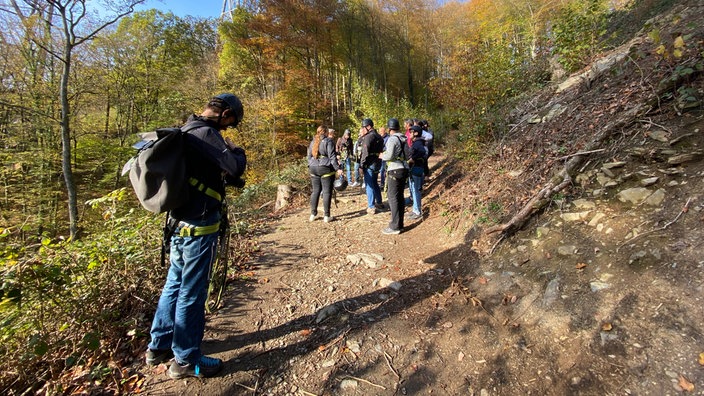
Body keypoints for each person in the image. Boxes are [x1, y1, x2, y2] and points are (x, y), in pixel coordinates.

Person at [146, 93, 247, 379]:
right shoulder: (207, 134)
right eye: (230, 121)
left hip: (178, 224)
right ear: (225, 113)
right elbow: (236, 167)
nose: (228, 128)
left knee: (174, 284)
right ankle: (186, 359)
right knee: (192, 291)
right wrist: (236, 150)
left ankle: (159, 346)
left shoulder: (187, 129)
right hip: (199, 226)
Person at [308, 125, 343, 222]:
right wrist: (337, 169)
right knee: (327, 192)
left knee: (315, 191)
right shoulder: (328, 141)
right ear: (326, 132)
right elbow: (332, 157)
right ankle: (326, 216)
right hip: (325, 168)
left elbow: (309, 157)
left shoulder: (313, 142)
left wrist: (311, 165)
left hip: (313, 168)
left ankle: (313, 214)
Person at [380, 118, 409, 234]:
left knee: (392, 197)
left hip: (395, 169)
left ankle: (394, 226)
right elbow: (407, 153)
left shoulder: (392, 139)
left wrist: (382, 155)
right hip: (404, 168)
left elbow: (389, 155)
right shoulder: (404, 138)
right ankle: (400, 224)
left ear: (390, 129)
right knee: (400, 197)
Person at [359, 118, 385, 214]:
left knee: (369, 184)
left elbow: (365, 152)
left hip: (369, 164)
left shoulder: (368, 137)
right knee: (375, 182)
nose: (362, 129)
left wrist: (361, 165)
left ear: (368, 127)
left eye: (363, 127)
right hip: (377, 163)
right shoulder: (379, 137)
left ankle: (371, 206)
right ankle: (379, 202)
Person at [406, 125, 427, 221]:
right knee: (413, 189)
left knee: (416, 190)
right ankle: (415, 210)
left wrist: (412, 159)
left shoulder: (418, 143)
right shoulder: (416, 142)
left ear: (416, 133)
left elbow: (422, 152)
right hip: (415, 168)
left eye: (411, 132)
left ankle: (417, 211)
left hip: (417, 168)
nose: (409, 134)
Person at [378, 126, 389, 190]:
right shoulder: (379, 137)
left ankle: (383, 183)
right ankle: (382, 183)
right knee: (381, 170)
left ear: (384, 132)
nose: (380, 133)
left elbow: (387, 147)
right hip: (380, 155)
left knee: (383, 170)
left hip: (385, 155)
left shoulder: (388, 138)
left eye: (381, 132)